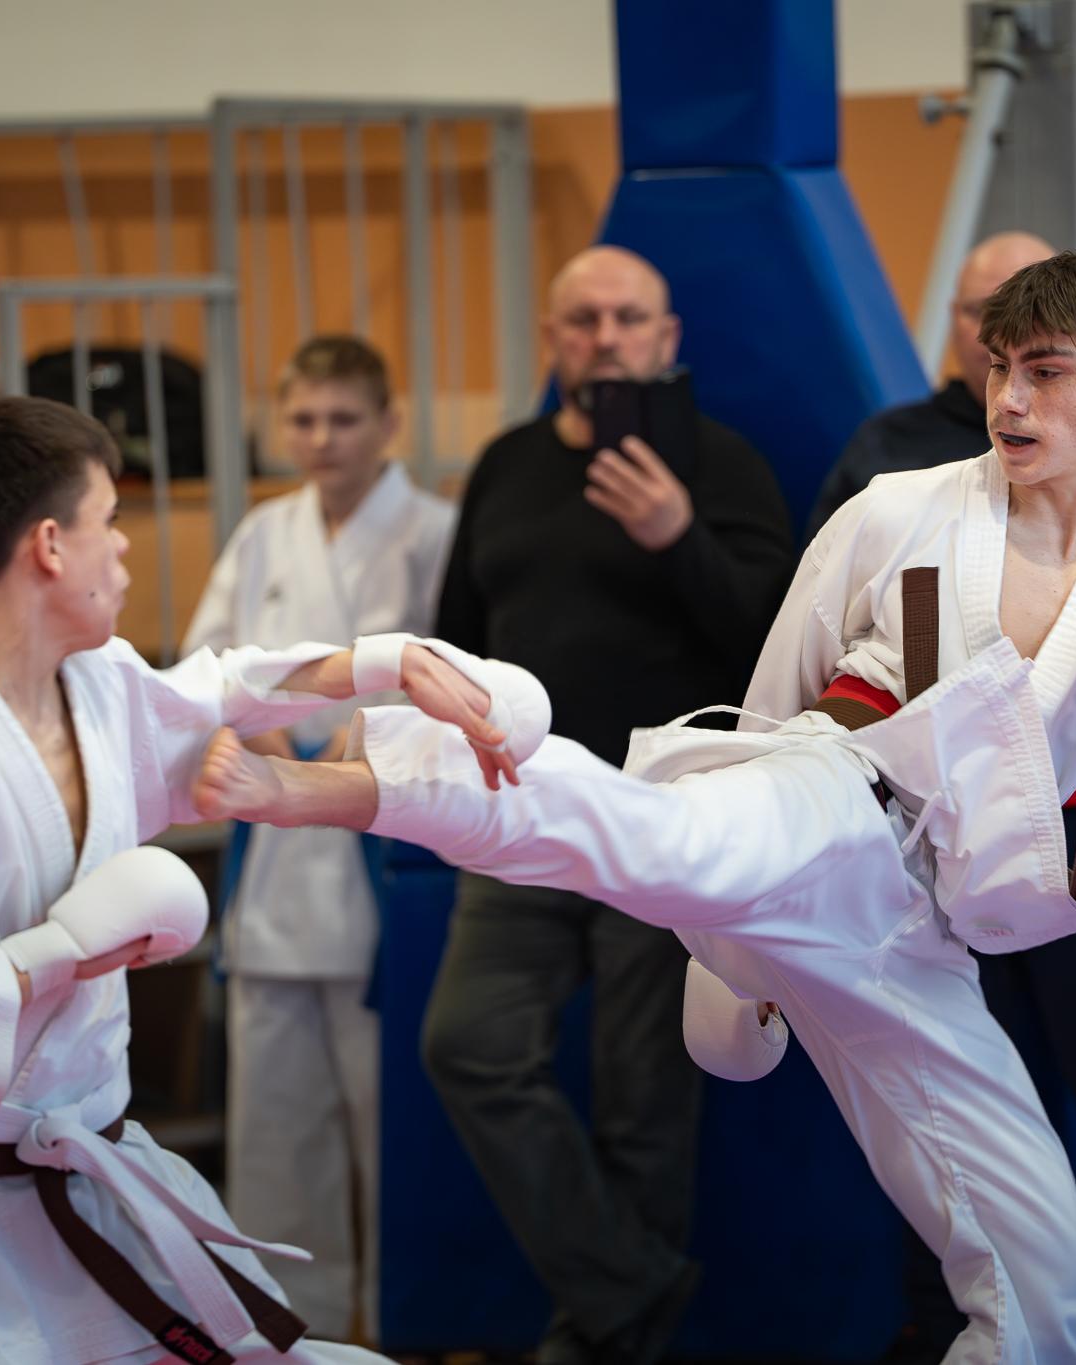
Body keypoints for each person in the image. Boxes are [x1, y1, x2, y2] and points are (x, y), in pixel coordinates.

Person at [191, 230, 1076, 1365]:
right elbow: (778, 686)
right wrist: (732, 901)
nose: (1009, 398)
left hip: (917, 924)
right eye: (1000, 366)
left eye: (1045, 372)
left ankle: (729, 931)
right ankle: (346, 783)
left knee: (1051, 1290)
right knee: (653, 833)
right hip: (823, 790)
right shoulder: (899, 507)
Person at [0, 394, 506, 1365]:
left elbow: (221, 685)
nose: (123, 549)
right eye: (108, 520)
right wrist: (57, 953)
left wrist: (381, 661)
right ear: (49, 546)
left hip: (88, 1189)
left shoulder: (95, 685)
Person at [816, 230, 1076, 1365]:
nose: (1007, 376)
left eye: (1043, 357)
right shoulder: (895, 466)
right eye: (984, 326)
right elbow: (824, 645)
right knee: (943, 1094)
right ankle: (946, 1319)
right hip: (929, 832)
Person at [420, 244, 794, 1363]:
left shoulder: (719, 465)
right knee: (467, 1044)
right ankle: (630, 1294)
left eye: (628, 319)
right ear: (553, 340)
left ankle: (604, 1341)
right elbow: (455, 637)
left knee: (645, 1099)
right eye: (582, 320)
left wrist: (677, 538)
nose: (605, 339)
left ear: (666, 339)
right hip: (519, 810)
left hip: (661, 817)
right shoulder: (507, 465)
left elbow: (776, 647)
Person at [183, 335, 454, 1341]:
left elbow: (464, 676)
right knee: (273, 1135)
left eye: (344, 419)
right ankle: (285, 1336)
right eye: (302, 419)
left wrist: (360, 740)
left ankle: (402, 1326)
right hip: (273, 864)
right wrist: (263, 735)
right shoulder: (263, 533)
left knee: (396, 1131)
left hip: (388, 853)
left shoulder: (434, 531)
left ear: (389, 424)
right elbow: (203, 670)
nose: (322, 438)